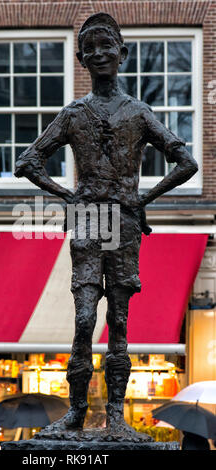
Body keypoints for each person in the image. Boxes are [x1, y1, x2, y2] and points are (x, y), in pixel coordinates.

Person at [14, 13, 198, 439]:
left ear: (122, 53)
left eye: (106, 46)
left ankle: (115, 416)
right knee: (83, 317)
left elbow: (186, 162)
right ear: (81, 58)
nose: (99, 54)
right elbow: (27, 161)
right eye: (90, 49)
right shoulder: (73, 113)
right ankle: (77, 411)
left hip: (125, 221)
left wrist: (142, 198)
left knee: (119, 319)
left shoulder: (139, 111)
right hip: (88, 219)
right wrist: (67, 195)